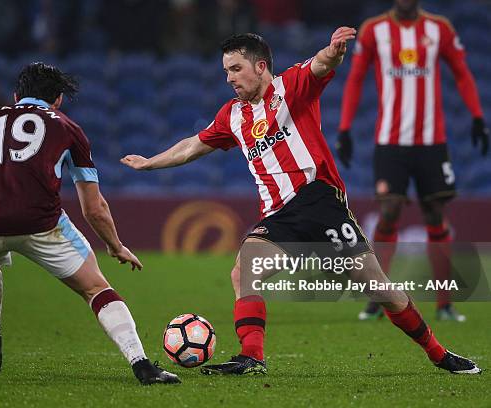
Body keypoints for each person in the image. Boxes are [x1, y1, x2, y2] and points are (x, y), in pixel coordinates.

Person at [121, 31, 481, 375]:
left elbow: (320, 65)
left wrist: (333, 51)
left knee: (378, 287)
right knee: (244, 272)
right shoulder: (232, 115)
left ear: (260, 66)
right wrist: (150, 162)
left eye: (236, 69)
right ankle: (251, 357)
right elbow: (192, 145)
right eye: (226, 71)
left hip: (319, 199)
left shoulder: (290, 86)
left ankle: (439, 354)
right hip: (279, 215)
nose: (229, 78)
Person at [0, 62, 180, 385]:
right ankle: (142, 365)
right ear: (57, 100)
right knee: (96, 287)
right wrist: (116, 245)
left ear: (16, 96)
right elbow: (94, 207)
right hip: (39, 224)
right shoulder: (68, 128)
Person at [336, 0, 489, 321]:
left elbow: (462, 73)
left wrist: (477, 117)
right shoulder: (375, 29)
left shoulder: (440, 28)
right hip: (390, 142)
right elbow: (355, 79)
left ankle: (444, 304)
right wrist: (346, 128)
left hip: (432, 143)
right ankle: (379, 297)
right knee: (389, 211)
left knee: (435, 214)